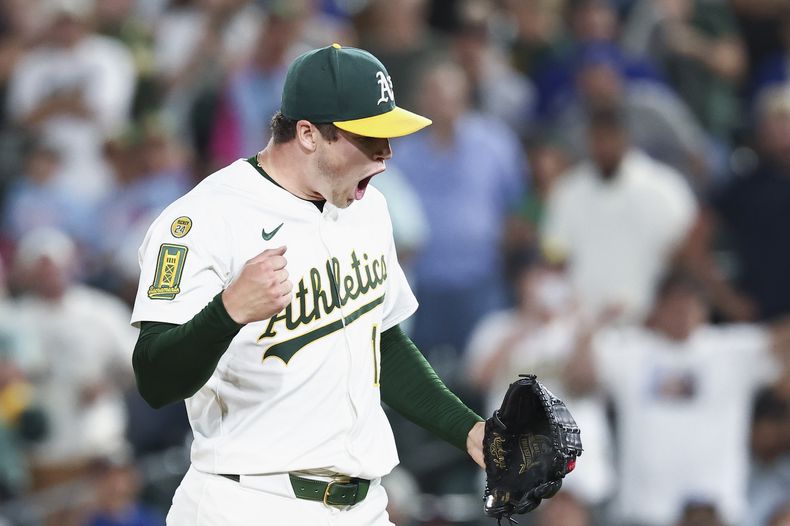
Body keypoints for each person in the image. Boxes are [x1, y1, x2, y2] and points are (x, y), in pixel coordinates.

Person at [130, 44, 486, 525]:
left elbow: (380, 340)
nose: (386, 153)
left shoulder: (369, 208)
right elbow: (154, 378)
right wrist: (227, 312)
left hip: (363, 506)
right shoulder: (203, 220)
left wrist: (468, 430)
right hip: (249, 502)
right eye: (368, 137)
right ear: (308, 134)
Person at [570, 272, 790, 526]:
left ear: (705, 310)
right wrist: (594, 325)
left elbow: (780, 344)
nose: (682, 314)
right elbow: (578, 381)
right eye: (675, 306)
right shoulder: (631, 350)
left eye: (691, 305)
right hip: (645, 510)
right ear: (658, 309)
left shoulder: (730, 349)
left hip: (713, 511)